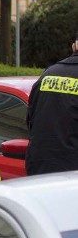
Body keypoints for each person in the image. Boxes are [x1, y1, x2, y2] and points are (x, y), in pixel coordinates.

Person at [25, 32, 78, 175]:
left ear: (74, 46)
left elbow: (31, 120)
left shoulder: (48, 74)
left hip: (39, 172)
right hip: (72, 177)